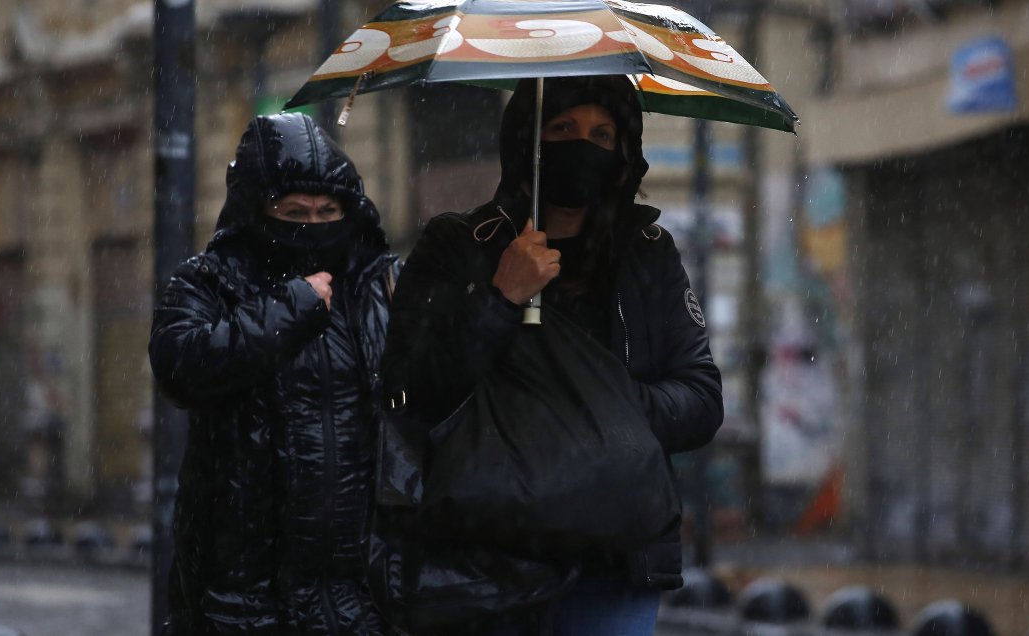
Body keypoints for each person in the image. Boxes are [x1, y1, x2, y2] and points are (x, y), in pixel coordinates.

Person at [380, 75, 724, 634]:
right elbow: (412, 389)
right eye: (562, 128)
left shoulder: (647, 254)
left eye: (602, 134)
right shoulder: (458, 246)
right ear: (527, 141)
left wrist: (592, 412)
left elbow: (701, 400)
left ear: (622, 152)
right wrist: (500, 297)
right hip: (486, 557)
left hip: (616, 556)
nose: (582, 145)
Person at [149, 112, 398, 635]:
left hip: (357, 602)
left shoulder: (377, 288)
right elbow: (182, 366)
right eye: (294, 211)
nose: (313, 224)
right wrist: (292, 307)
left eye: (327, 210)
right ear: (258, 212)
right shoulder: (207, 283)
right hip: (241, 604)